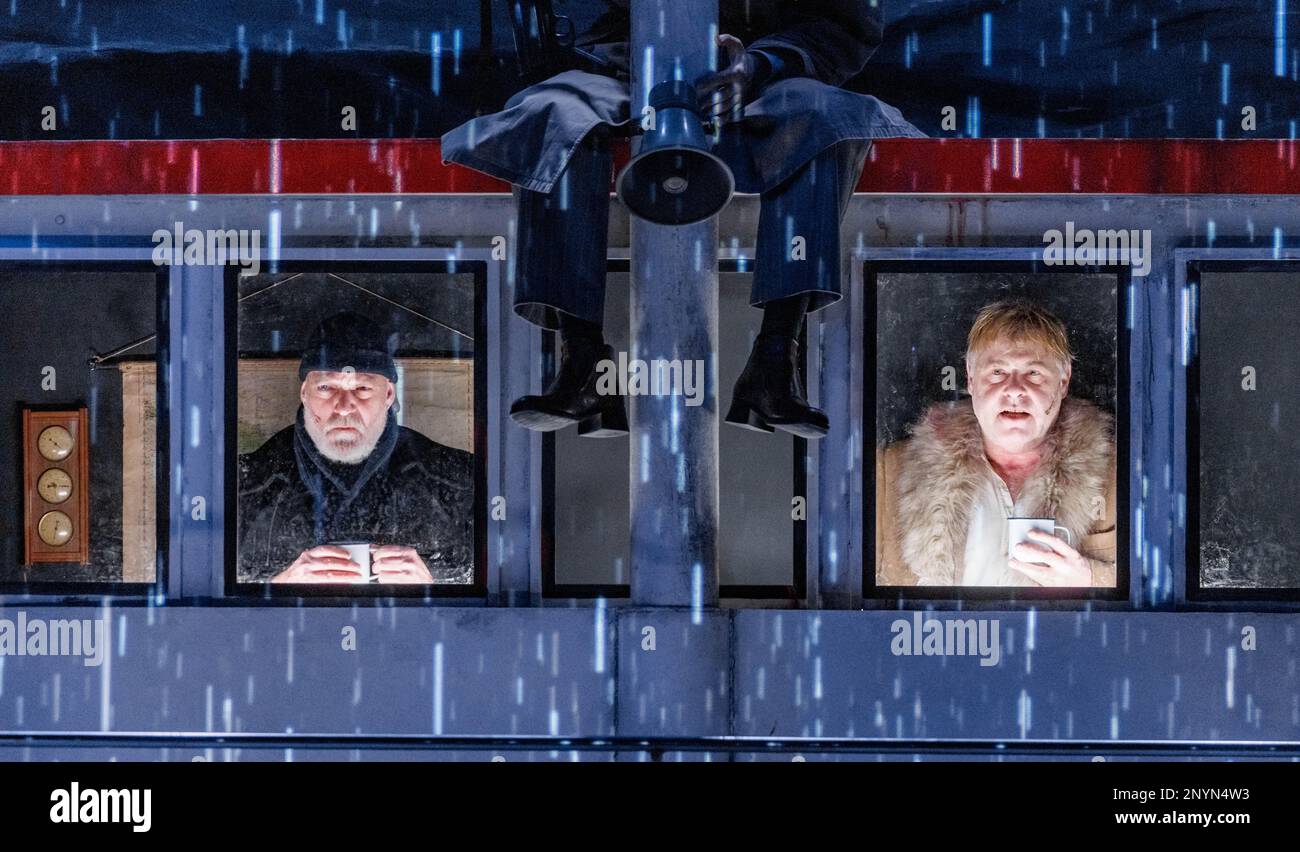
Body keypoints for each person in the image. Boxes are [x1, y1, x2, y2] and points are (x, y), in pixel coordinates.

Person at [440, 0, 923, 439]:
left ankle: (778, 354)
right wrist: (650, 55)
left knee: (824, 119)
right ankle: (581, 355)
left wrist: (760, 64)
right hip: (622, 69)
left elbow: (847, 24)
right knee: (556, 113)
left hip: (767, 82)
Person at [875, 299, 1118, 587]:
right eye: (998, 372)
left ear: (1063, 381)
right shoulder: (891, 472)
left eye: (1033, 373)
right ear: (971, 378)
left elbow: (1160, 582)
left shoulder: (1118, 474)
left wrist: (1091, 579)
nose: (1015, 391)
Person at [237, 312, 474, 584]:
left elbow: (494, 604)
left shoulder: (460, 482)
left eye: (362, 388)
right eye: (327, 387)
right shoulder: (244, 484)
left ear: (388, 395)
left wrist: (433, 585)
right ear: (305, 393)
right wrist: (281, 585)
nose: (344, 405)